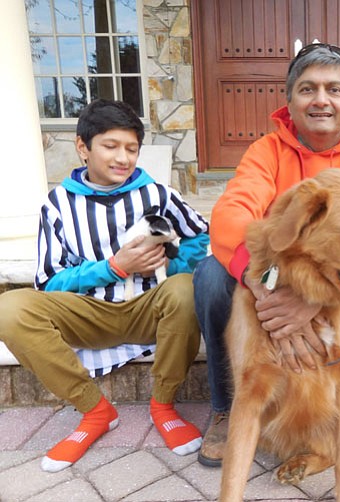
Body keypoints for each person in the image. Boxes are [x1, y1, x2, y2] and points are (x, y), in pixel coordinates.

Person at [193, 43, 340, 467]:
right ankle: (228, 406)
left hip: (336, 281)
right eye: (307, 89)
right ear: (290, 101)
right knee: (209, 275)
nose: (321, 99)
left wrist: (310, 301)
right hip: (277, 277)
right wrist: (263, 288)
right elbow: (231, 215)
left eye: (334, 89)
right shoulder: (266, 151)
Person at [0, 99, 210, 472]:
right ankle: (95, 411)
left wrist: (169, 259)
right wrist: (112, 267)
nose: (123, 158)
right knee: (10, 310)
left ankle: (163, 404)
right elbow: (49, 282)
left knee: (184, 287)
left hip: (150, 307)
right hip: (89, 315)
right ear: (83, 147)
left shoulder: (158, 193)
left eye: (131, 148)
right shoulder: (58, 203)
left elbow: (201, 237)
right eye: (110, 146)